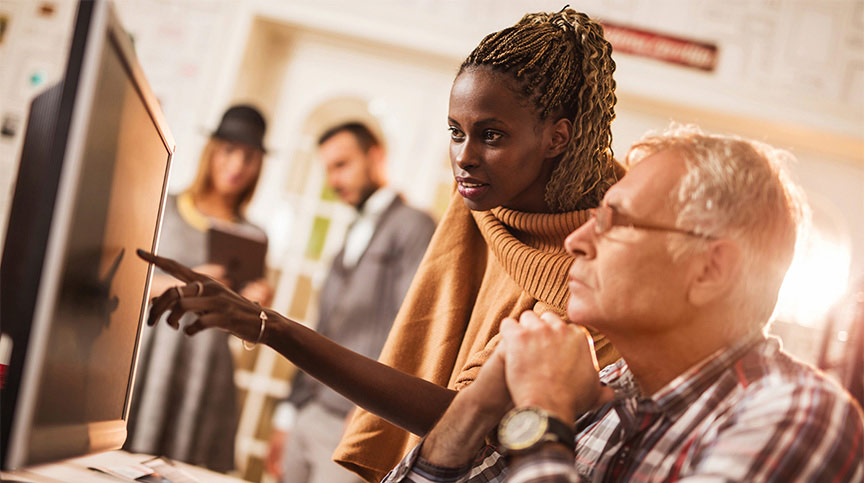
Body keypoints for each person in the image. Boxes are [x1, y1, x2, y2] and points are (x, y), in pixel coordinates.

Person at [138, 9, 621, 480]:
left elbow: (475, 419)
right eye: (456, 132)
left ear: (558, 137)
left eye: (491, 135)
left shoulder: (600, 255)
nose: (464, 157)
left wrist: (271, 327)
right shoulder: (482, 202)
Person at [382, 125, 864, 482]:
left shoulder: (799, 411)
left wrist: (542, 413)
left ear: (710, 269)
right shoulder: (598, 391)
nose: (576, 240)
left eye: (617, 221)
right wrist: (477, 405)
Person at [267, 122, 436, 482]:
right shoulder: (350, 233)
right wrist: (287, 417)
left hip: (351, 423)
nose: (332, 180)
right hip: (309, 412)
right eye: (328, 168)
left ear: (375, 157)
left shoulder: (413, 226)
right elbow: (322, 329)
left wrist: (369, 416)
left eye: (342, 165)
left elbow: (412, 332)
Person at [126, 104, 273, 472]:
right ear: (212, 150)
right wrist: (186, 282)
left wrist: (257, 311)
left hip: (207, 368)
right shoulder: (166, 206)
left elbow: (248, 331)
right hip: (149, 355)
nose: (237, 165)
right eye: (229, 150)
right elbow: (125, 280)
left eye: (250, 157)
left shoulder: (254, 237)